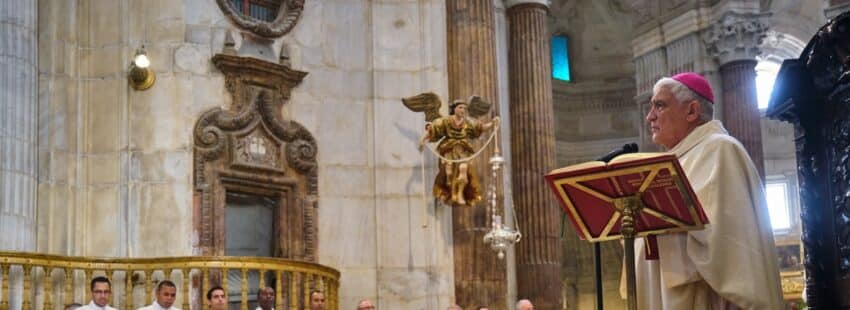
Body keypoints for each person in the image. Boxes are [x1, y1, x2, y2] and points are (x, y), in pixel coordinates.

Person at [622, 72, 783, 309]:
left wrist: (658, 223)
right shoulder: (673, 161)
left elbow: (728, 242)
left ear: (692, 111)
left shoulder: (720, 150)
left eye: (659, 106)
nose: (650, 116)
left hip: (703, 297)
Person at [419, 99, 499, 206]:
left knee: (463, 169)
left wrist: (492, 123)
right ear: (454, 109)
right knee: (449, 171)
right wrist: (422, 140)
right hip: (448, 149)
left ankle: (460, 194)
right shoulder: (445, 121)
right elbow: (432, 129)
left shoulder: (468, 122)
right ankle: (446, 192)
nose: (463, 110)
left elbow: (480, 128)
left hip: (463, 150)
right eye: (460, 108)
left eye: (464, 108)